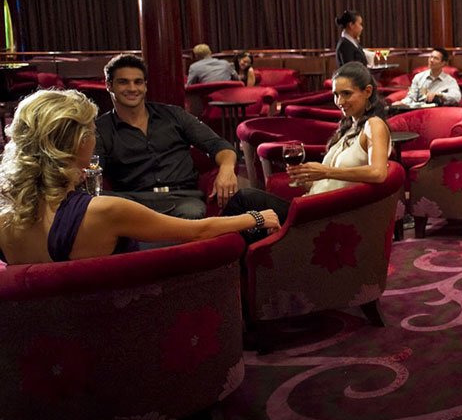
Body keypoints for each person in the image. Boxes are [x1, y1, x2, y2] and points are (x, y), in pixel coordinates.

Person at [0, 89, 277, 264]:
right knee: (250, 204)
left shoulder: (5, 217)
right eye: (92, 130)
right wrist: (256, 218)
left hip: (56, 325)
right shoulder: (105, 211)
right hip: (138, 309)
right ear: (80, 141)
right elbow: (198, 232)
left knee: (243, 200)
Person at [222, 62, 392, 228]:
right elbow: (329, 184)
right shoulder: (349, 127)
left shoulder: (374, 125)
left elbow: (378, 173)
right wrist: (305, 177)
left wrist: (325, 171)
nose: (340, 101)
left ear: (367, 91)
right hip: (312, 206)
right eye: (336, 94)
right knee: (249, 218)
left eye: (346, 94)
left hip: (328, 216)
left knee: (245, 199)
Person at [95, 54, 240, 220]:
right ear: (109, 85)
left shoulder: (174, 115)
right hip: (134, 203)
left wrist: (227, 168)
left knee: (192, 212)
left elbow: (218, 145)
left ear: (145, 86)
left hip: (183, 199)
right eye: (123, 82)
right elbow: (92, 171)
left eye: (138, 82)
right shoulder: (100, 129)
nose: (132, 88)